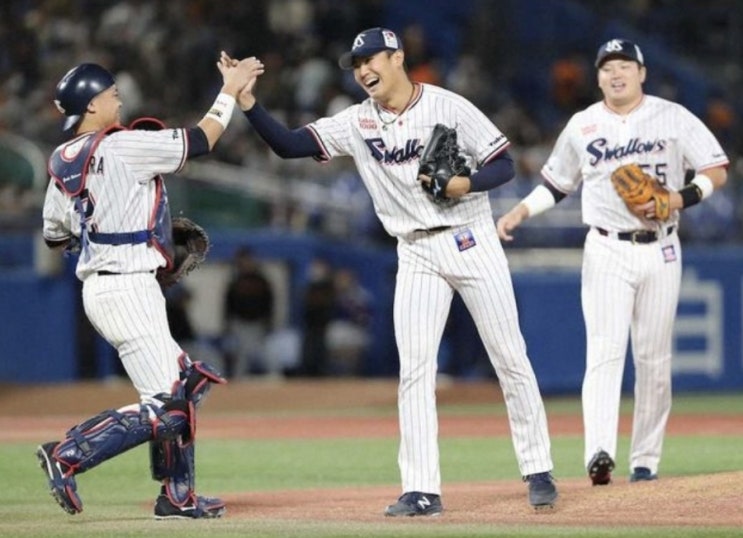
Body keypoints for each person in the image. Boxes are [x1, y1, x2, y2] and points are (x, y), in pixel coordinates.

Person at [227, 26, 558, 514]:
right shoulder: (357, 121)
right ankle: (421, 488)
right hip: (415, 251)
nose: (363, 70)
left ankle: (538, 469)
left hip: (469, 237)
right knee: (416, 370)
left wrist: (464, 183)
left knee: (509, 356)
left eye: (371, 59)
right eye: (356, 64)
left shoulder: (449, 106)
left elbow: (505, 166)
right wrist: (250, 103)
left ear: (398, 58)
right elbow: (290, 146)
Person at [38, 55, 264, 518]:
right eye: (111, 92)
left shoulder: (64, 160)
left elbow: (55, 234)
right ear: (91, 104)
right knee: (168, 407)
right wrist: (230, 91)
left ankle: (177, 496)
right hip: (126, 288)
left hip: (107, 286)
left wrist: (119, 228)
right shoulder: (125, 147)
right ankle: (67, 453)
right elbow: (202, 139)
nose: (118, 96)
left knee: (186, 384)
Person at [496, 39, 729, 486]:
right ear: (598, 77)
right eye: (607, 68)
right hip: (606, 248)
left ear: (641, 73)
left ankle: (645, 461)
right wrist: (522, 210)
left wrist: (679, 198)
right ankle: (599, 451)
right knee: (604, 352)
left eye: (624, 66)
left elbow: (716, 168)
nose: (615, 74)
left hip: (662, 248)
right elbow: (557, 183)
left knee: (654, 360)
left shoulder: (673, 116)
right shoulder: (583, 125)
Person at [222, 246, 275, 378]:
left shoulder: (262, 281)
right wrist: (227, 324)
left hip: (257, 323)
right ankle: (238, 380)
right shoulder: (235, 282)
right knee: (241, 355)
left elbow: (269, 302)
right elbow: (228, 305)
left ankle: (273, 376)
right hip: (240, 323)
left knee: (264, 352)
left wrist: (269, 322)